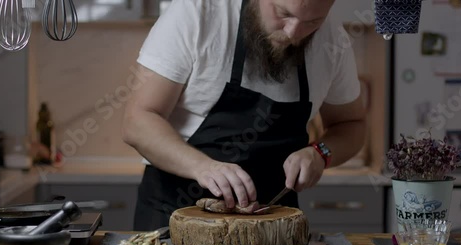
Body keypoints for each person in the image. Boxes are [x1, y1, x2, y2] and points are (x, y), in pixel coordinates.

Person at [122, 0, 366, 231]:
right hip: (174, 218)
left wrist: (320, 153)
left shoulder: (332, 39)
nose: (293, 32)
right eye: (284, 14)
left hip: (273, 230)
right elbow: (138, 120)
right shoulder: (198, 13)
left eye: (312, 22)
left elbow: (351, 125)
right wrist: (202, 167)